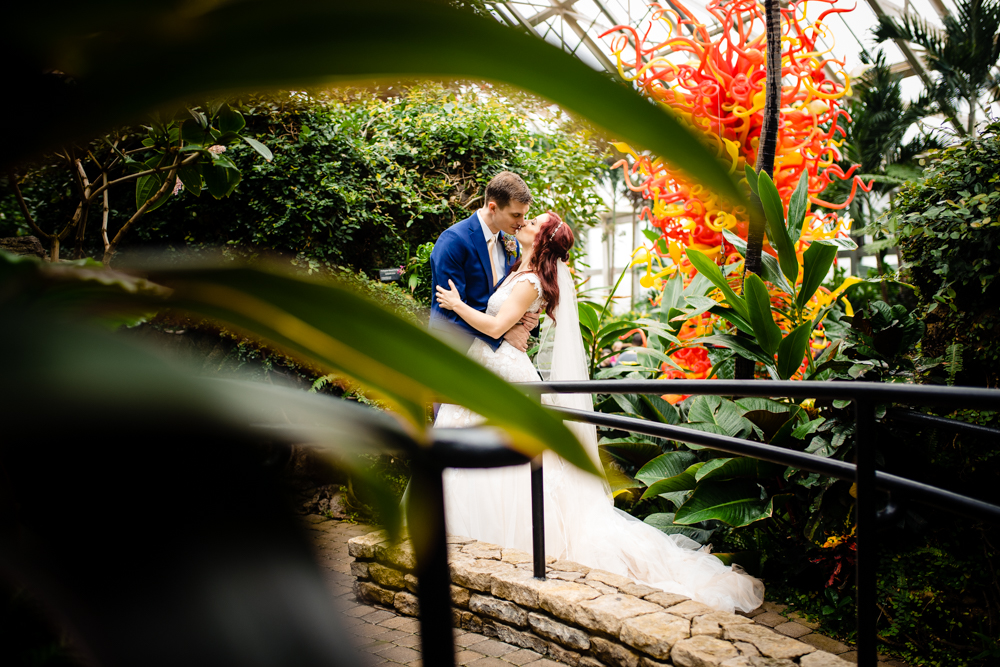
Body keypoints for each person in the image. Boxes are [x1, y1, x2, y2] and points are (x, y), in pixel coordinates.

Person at [434, 211, 764, 613]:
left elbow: (495, 327)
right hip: (493, 370)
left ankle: (507, 550)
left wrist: (456, 304)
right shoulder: (514, 268)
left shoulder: (530, 281)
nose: (524, 223)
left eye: (532, 222)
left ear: (541, 240)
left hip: (506, 375)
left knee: (510, 467)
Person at [429, 171, 538, 355]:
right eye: (516, 215)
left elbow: (508, 299)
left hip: (495, 355)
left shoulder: (511, 244)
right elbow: (449, 310)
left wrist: (528, 319)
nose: (522, 223)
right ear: (493, 208)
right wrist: (503, 333)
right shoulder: (453, 240)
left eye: (524, 215)